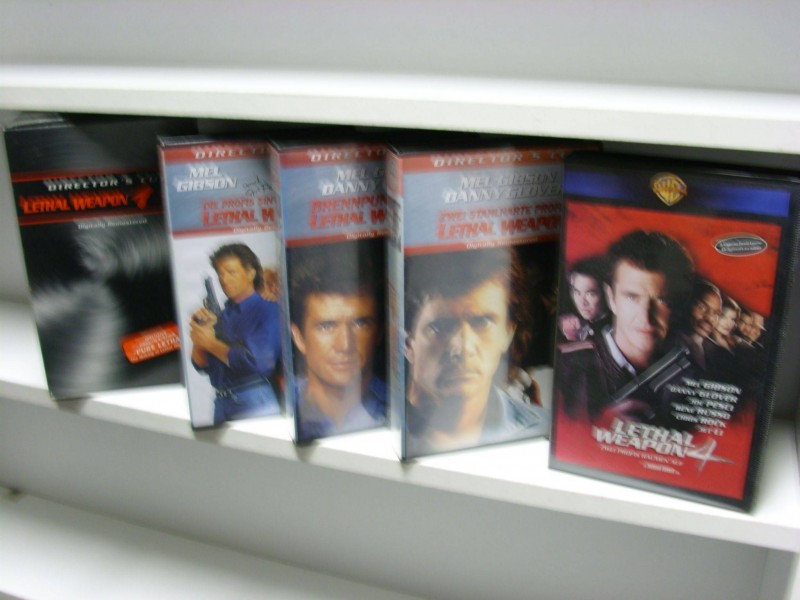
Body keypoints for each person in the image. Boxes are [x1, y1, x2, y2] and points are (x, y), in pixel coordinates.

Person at [403, 246, 547, 457]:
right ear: (408, 343)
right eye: (440, 327)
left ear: (507, 334)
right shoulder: (382, 438)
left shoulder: (545, 431)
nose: (463, 348)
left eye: (482, 322)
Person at [557, 230, 694, 425]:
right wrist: (598, 425)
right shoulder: (566, 365)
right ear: (611, 298)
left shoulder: (691, 369)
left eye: (662, 300)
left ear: (677, 304)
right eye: (631, 297)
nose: (645, 316)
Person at [288, 240, 386, 442]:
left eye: (360, 323)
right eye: (326, 326)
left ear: (379, 332)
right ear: (299, 337)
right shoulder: (280, 405)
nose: (345, 345)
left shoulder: (403, 411)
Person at [190, 243, 282, 425]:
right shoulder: (222, 315)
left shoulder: (269, 309)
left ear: (251, 273)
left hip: (253, 398)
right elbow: (201, 365)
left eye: (231, 272)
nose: (224, 279)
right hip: (221, 402)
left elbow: (259, 362)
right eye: (220, 274)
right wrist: (199, 335)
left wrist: (211, 343)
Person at [558, 256, 610, 341]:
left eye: (590, 294)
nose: (582, 302)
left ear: (604, 293)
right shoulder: (575, 323)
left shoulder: (612, 331)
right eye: (577, 292)